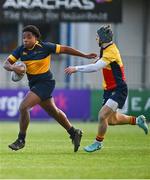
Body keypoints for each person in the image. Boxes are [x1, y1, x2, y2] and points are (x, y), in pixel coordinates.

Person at [3, 25, 97, 152]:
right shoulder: (20, 50)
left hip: (46, 83)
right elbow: (6, 64)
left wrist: (85, 55)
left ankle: (21, 139)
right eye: (24, 37)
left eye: (29, 37)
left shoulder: (45, 47)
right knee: (54, 112)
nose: (25, 40)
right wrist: (15, 68)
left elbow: (65, 49)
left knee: (23, 107)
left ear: (36, 38)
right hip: (34, 84)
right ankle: (74, 132)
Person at [65, 25, 149, 152]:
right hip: (109, 89)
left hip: (119, 88)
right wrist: (97, 60)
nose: (96, 38)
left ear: (103, 38)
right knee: (112, 120)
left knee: (102, 116)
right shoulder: (105, 48)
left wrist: (76, 68)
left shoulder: (111, 51)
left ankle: (98, 143)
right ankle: (137, 121)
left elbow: (96, 68)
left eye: (97, 36)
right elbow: (101, 63)